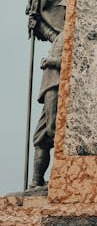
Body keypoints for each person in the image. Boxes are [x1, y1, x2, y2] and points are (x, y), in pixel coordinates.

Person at [29, 21, 64, 188]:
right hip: (50, 87)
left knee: (53, 131)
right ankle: (36, 182)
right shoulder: (63, 35)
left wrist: (51, 62)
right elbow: (51, 34)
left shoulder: (75, 33)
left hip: (56, 86)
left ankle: (61, 178)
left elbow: (72, 61)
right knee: (40, 137)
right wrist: (37, 24)